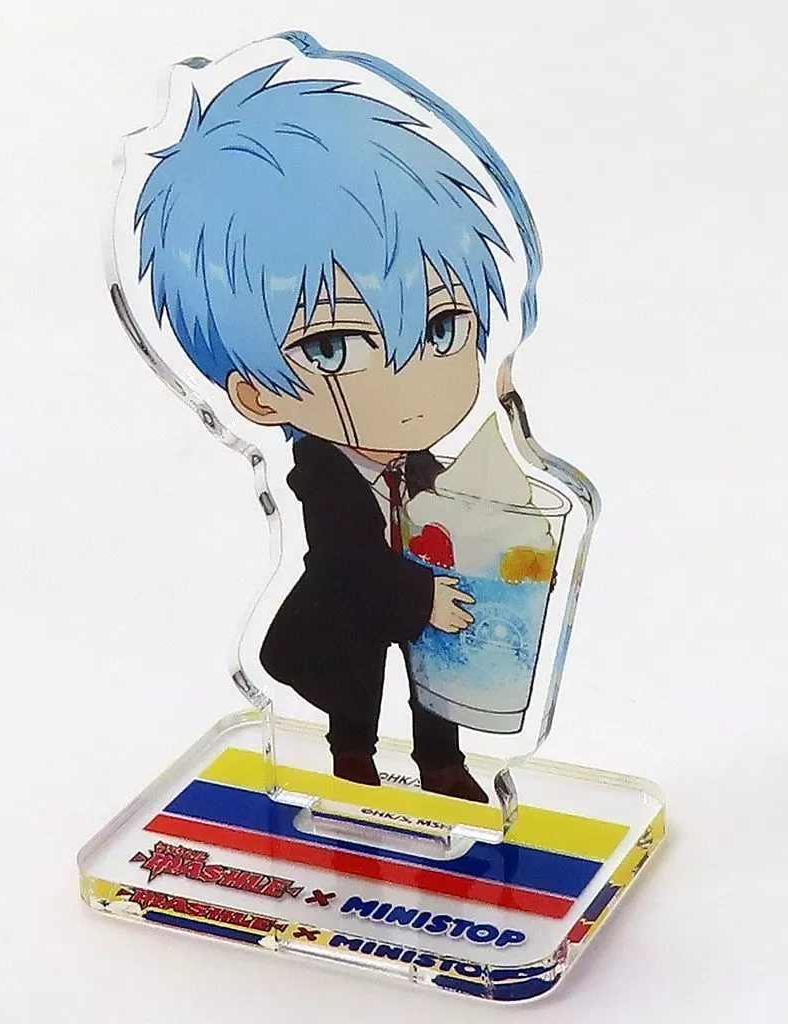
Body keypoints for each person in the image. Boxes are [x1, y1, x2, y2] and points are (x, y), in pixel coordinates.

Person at [132, 42, 540, 802]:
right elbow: (348, 558)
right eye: (332, 347)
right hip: (350, 606)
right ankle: (351, 758)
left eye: (442, 327)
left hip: (424, 598)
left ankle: (441, 764)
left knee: (436, 677)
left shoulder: (421, 465)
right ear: (259, 396)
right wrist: (420, 596)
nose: (409, 382)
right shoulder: (320, 474)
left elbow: (471, 494)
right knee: (356, 685)